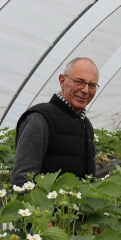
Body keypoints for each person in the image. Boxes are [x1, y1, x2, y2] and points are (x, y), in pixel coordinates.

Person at [12, 57, 99, 185]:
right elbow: (22, 180)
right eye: (79, 82)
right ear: (62, 81)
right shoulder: (39, 119)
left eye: (92, 85)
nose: (85, 90)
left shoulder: (86, 124)